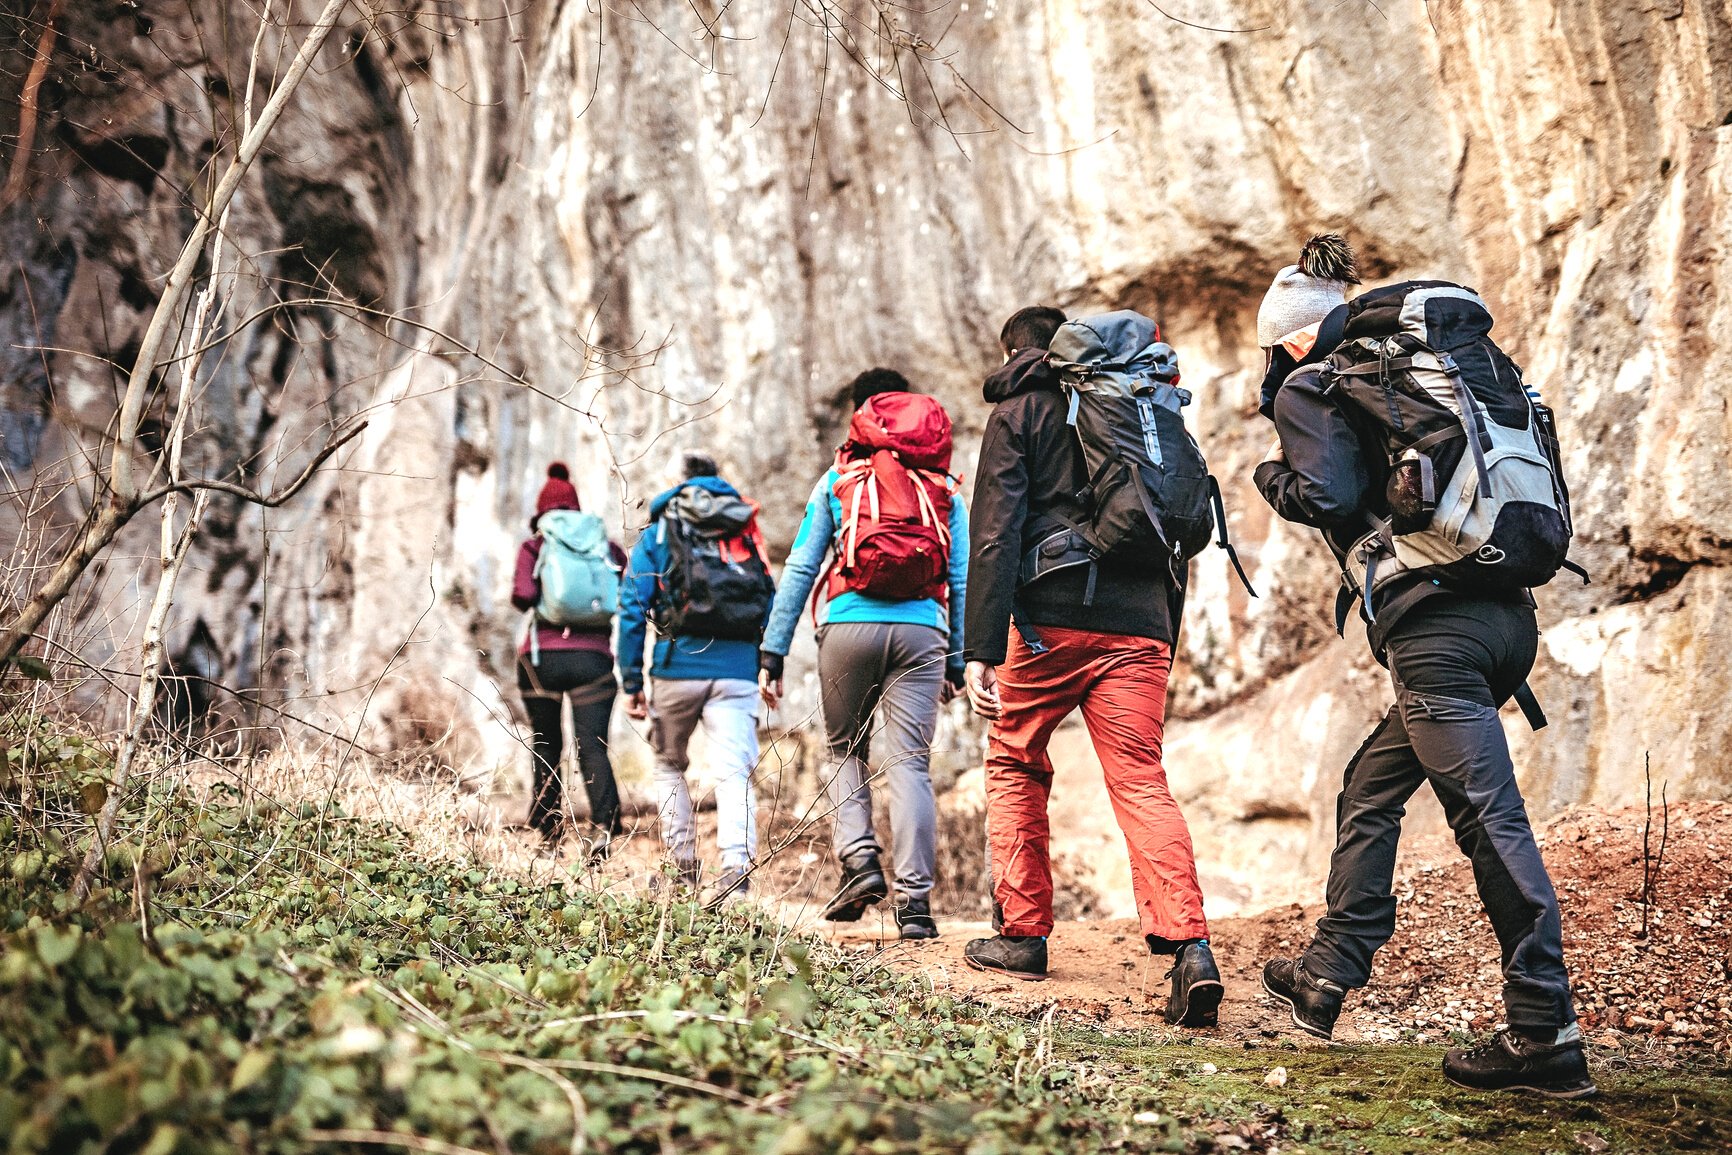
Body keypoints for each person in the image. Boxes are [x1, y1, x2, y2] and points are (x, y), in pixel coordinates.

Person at [1252, 234, 1595, 1098]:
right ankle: (1329, 967)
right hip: (1504, 617)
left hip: (1437, 632)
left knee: (1488, 818)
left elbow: (1326, 496)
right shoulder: (1435, 370)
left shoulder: (1313, 380)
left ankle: (1543, 1029)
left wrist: (1270, 478)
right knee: (1371, 783)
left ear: (1293, 337)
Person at [958, 306, 1223, 1027]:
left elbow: (995, 531)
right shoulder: (1137, 400)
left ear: (1015, 349)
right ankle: (1191, 946)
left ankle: (1022, 934)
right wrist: (1159, 627)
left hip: (1050, 620)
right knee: (1140, 775)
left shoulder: (1021, 410)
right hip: (1140, 622)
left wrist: (979, 646)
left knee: (1015, 759)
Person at [758, 368, 968, 940]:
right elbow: (962, 576)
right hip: (924, 632)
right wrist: (959, 658)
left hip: (849, 626)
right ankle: (916, 907)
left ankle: (859, 863)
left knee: (843, 749)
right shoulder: (944, 488)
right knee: (910, 766)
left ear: (862, 415)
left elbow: (801, 566)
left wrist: (773, 649)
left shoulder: (838, 480)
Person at [618, 451, 776, 900]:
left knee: (668, 765)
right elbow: (768, 597)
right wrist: (766, 661)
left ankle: (683, 868)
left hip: (676, 666)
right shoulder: (743, 523)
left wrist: (632, 680)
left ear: (682, 482)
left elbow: (633, 605)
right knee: (734, 775)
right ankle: (735, 875)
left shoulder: (663, 526)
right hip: (738, 671)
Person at [510, 463, 625, 851]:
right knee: (592, 746)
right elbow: (620, 585)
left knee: (546, 744)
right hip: (594, 661)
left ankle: (549, 833)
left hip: (543, 661)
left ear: (542, 513)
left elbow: (522, 597)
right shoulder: (605, 547)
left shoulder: (535, 546)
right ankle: (604, 827)